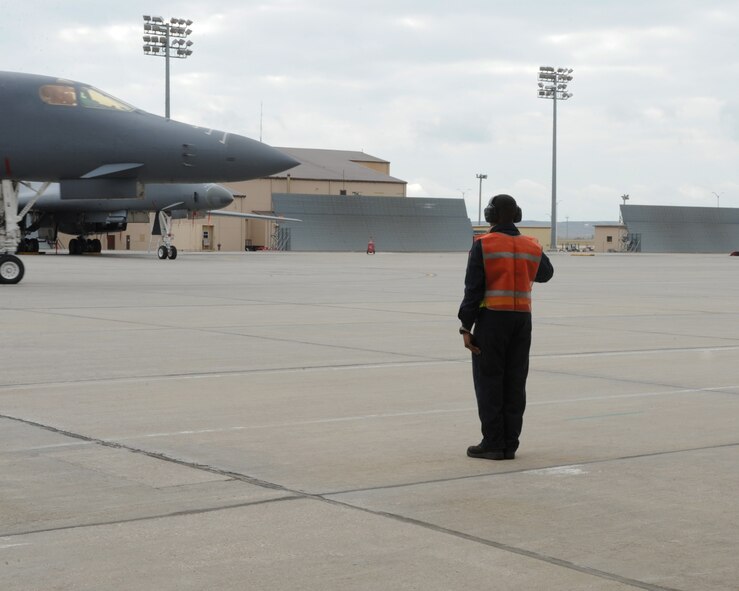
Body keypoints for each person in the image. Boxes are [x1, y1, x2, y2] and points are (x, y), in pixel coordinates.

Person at [458, 194, 554, 460]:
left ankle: (493, 442)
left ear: (491, 215)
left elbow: (473, 289)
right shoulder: (531, 245)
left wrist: (466, 327)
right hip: (522, 321)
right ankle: (510, 443)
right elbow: (546, 273)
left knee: (489, 381)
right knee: (515, 381)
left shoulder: (483, 245)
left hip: (492, 320)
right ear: (517, 214)